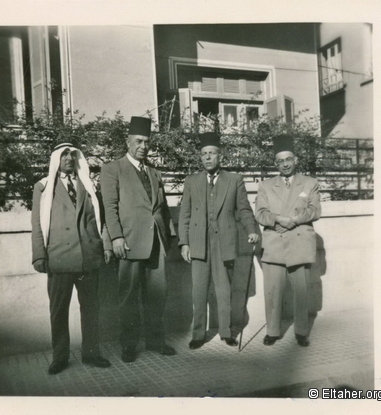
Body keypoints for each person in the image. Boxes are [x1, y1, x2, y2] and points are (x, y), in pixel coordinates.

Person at [100, 116, 176, 363]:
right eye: (139, 141)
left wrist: (170, 236)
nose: (143, 146)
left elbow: (162, 208)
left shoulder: (154, 172)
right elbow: (109, 208)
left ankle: (156, 341)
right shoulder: (113, 169)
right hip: (129, 242)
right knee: (129, 296)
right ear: (128, 141)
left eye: (147, 142)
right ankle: (129, 345)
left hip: (156, 243)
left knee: (157, 295)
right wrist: (117, 237)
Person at [31, 142, 111, 375]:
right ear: (56, 159)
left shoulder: (88, 185)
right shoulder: (44, 187)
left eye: (72, 155)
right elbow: (37, 223)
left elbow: (100, 220)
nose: (68, 158)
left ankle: (92, 354)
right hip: (59, 258)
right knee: (58, 311)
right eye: (64, 155)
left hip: (88, 257)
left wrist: (104, 246)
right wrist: (39, 255)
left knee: (91, 309)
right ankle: (60, 357)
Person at [178, 132, 259, 349]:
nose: (207, 158)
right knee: (198, 291)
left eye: (211, 153)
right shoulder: (191, 181)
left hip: (224, 244)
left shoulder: (234, 180)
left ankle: (226, 332)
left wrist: (252, 229)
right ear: (200, 157)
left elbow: (243, 209)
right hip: (198, 244)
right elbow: (184, 213)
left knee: (224, 291)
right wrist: (184, 242)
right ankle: (198, 335)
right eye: (204, 154)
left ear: (219, 156)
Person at [255, 135, 321, 347]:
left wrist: (295, 220)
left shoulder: (310, 183)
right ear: (275, 164)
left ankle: (301, 331)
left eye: (289, 159)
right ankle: (273, 331)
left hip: (300, 243)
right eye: (280, 161)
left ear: (296, 160)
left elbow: (315, 210)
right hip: (274, 243)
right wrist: (277, 219)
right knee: (273, 292)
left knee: (301, 292)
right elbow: (260, 213)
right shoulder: (265, 185)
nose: (285, 164)